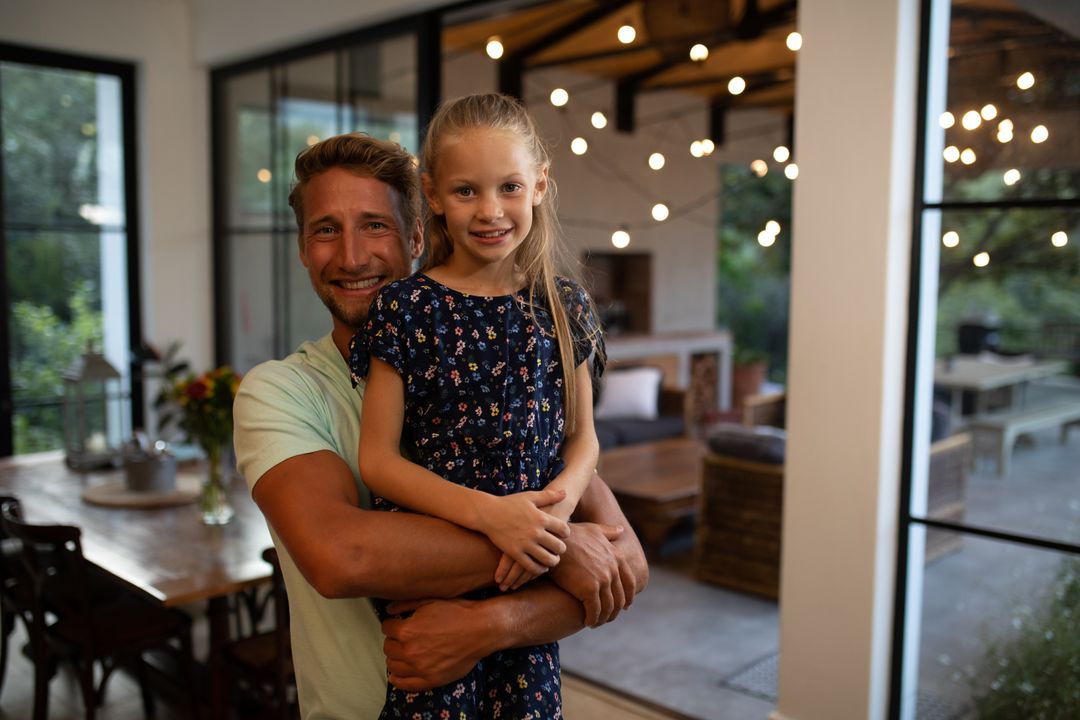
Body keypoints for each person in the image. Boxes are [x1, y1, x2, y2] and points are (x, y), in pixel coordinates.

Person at [233, 131, 648, 719]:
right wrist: (558, 551)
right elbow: (341, 557)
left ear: (419, 235)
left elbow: (623, 566)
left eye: (375, 225)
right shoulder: (280, 391)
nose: (352, 256)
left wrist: (492, 624)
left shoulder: (501, 381)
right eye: (326, 229)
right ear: (303, 248)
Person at [350, 93, 603, 718]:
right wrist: (494, 520)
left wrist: (551, 520)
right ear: (432, 194)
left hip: (530, 579)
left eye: (509, 187)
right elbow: (378, 461)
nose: (490, 211)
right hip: (438, 572)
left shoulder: (563, 306)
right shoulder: (406, 309)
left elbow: (584, 441)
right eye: (466, 192)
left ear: (539, 185)